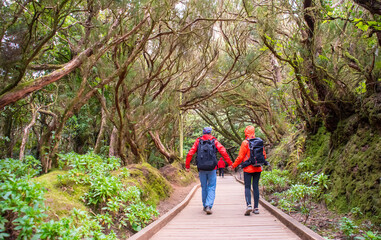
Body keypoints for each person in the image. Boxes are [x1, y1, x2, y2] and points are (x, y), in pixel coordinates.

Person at [185, 127, 232, 215]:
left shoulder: (198, 141)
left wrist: (187, 166)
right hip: (212, 168)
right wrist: (230, 163)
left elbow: (190, 153)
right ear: (210, 133)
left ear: (203, 133)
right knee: (211, 186)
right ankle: (208, 205)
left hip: (201, 168)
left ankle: (204, 205)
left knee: (204, 187)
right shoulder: (214, 141)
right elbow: (223, 151)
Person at [230, 126, 268, 216]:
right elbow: (264, 156)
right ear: (254, 132)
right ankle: (256, 208)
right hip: (258, 168)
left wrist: (233, 165)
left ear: (246, 132)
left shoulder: (245, 143)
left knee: (247, 187)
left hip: (248, 169)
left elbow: (240, 157)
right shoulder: (259, 142)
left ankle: (249, 205)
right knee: (255, 187)